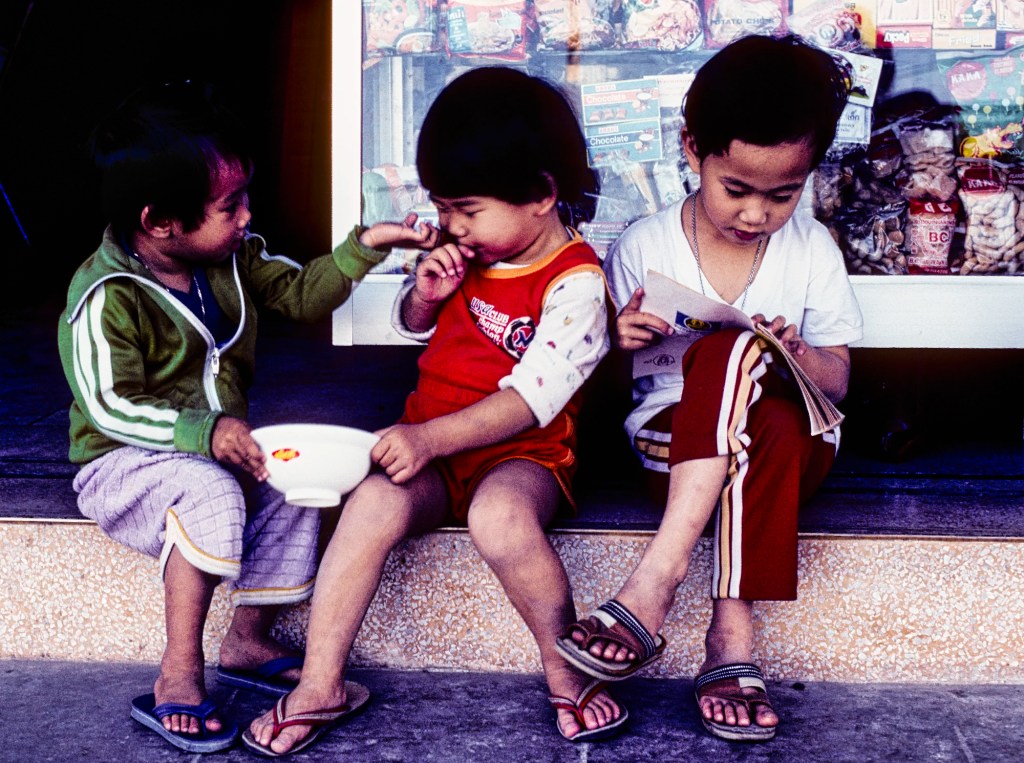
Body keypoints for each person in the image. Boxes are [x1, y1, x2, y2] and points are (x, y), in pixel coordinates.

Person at [244, 66, 622, 756]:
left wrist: (425, 438)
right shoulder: (473, 252)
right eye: (444, 207)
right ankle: (321, 681)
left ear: (541, 194)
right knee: (369, 504)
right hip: (432, 451)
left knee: (498, 517)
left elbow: (530, 399)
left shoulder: (577, 283)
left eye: (466, 209)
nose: (450, 225)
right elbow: (419, 325)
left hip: (521, 455)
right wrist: (424, 292)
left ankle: (565, 665)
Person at [56, 80, 436, 754]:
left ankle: (248, 637)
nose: (245, 215)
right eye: (228, 205)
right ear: (159, 221)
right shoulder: (105, 294)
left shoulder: (230, 257)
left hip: (210, 450)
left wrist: (368, 243)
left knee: (289, 470)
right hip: (121, 464)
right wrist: (201, 432)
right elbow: (108, 405)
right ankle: (179, 670)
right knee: (207, 488)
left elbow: (299, 294)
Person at [555, 34, 864, 742]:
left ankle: (651, 585)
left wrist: (794, 354)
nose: (756, 214)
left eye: (783, 194)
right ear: (692, 149)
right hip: (673, 446)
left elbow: (838, 380)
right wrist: (619, 337)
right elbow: (601, 383)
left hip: (790, 459)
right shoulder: (643, 244)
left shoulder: (812, 249)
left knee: (772, 402)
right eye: (738, 189)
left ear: (809, 174)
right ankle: (731, 641)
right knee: (732, 363)